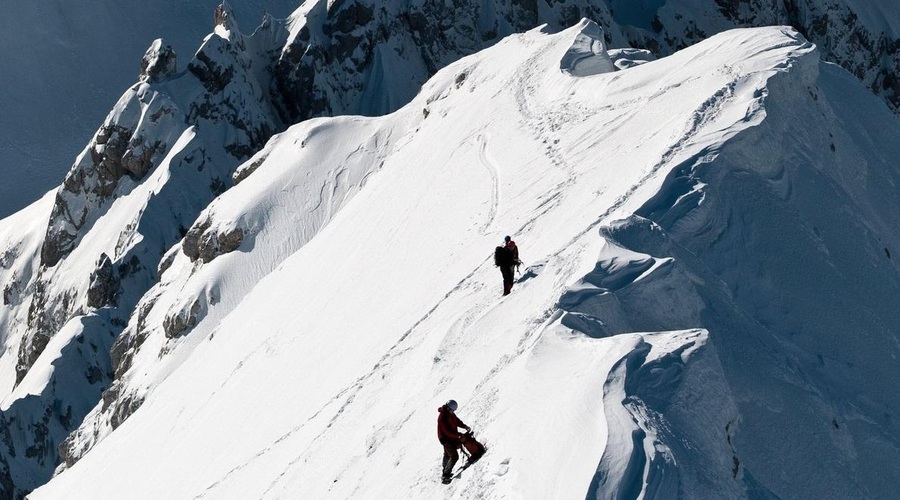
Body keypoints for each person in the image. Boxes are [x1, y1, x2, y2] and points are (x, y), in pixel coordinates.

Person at [437, 399, 470, 484]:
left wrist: (464, 426)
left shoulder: (450, 414)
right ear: (448, 408)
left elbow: (457, 421)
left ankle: (445, 471)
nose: (453, 411)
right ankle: (445, 475)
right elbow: (447, 432)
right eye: (453, 410)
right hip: (445, 439)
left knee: (447, 454)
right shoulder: (442, 417)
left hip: (450, 437)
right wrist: (458, 435)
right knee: (454, 456)